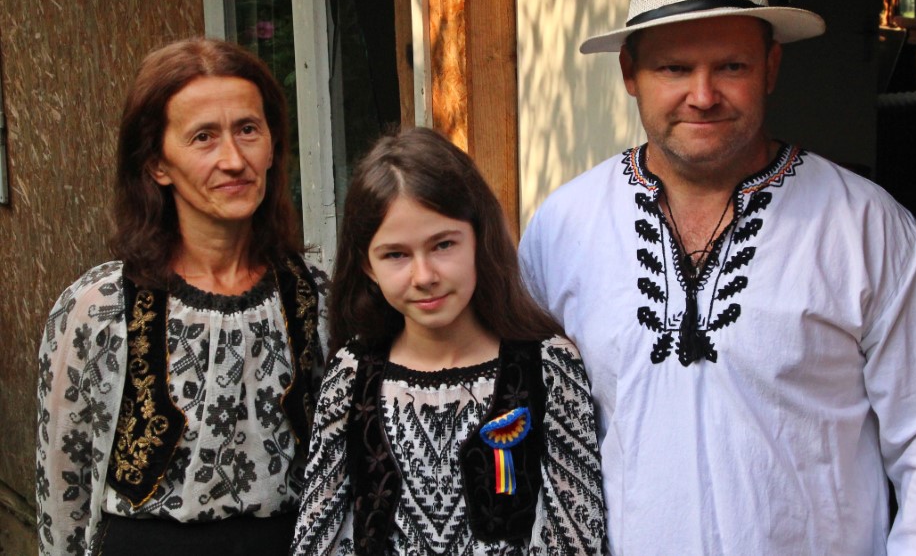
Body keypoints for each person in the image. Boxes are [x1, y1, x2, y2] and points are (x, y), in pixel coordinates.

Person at [518, 0, 916, 555]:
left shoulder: (864, 227)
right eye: (673, 68)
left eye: (731, 66)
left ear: (771, 68)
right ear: (630, 74)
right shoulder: (563, 229)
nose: (702, 96)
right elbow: (521, 421)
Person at [36, 38, 330, 556]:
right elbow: (64, 495)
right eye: (203, 137)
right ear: (157, 164)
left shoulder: (316, 297)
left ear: (272, 145)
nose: (234, 160)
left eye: (248, 129)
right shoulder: (100, 309)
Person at [291, 127, 606, 555]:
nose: (424, 276)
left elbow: (576, 536)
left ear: (478, 237)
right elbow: (319, 535)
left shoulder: (548, 367)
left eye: (442, 245)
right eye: (396, 255)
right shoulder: (352, 375)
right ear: (367, 265)